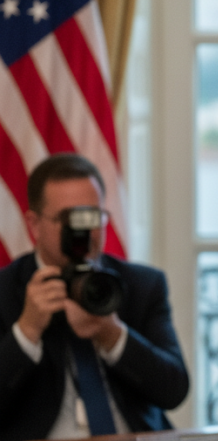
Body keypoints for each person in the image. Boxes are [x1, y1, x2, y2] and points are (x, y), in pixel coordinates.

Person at [0, 153, 189, 440]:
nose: (83, 231)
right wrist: (26, 332)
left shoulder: (141, 285)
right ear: (34, 224)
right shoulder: (5, 290)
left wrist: (112, 334)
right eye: (68, 219)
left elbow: (174, 391)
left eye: (91, 216)